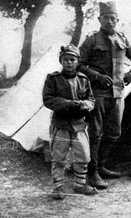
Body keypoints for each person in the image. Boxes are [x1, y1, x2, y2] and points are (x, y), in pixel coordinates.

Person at [78, 1, 131, 189]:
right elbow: (79, 64)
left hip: (117, 94)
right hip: (97, 94)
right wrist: (96, 76)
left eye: (112, 18)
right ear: (99, 19)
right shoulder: (92, 40)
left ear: (117, 20)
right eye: (105, 18)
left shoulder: (123, 39)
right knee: (95, 133)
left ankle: (103, 165)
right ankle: (93, 172)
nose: (109, 21)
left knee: (114, 133)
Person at [42, 44, 97, 200]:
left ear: (77, 61)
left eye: (72, 59)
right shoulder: (53, 79)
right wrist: (68, 104)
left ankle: (79, 184)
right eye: (65, 59)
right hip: (61, 125)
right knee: (59, 157)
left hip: (79, 124)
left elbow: (90, 98)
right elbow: (48, 100)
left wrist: (87, 105)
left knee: (84, 156)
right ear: (61, 61)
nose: (69, 62)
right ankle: (58, 187)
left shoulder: (83, 79)